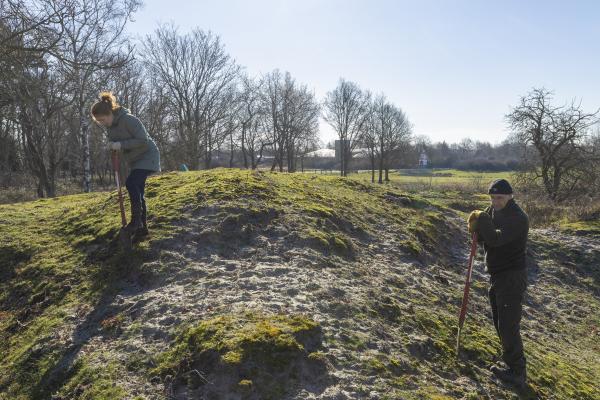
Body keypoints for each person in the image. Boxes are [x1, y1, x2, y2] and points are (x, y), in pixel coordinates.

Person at [468, 179, 529, 388]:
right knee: (499, 322)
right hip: (496, 274)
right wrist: (476, 230)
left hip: (512, 276)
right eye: (492, 198)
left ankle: (517, 372)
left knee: (508, 325)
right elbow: (486, 237)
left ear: (510, 196)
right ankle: (510, 362)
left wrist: (482, 221)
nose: (495, 202)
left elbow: (495, 238)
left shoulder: (518, 218)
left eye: (500, 198)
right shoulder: (492, 211)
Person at [91, 92, 161, 241]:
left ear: (110, 113)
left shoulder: (129, 120)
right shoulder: (110, 128)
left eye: (103, 120)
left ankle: (136, 222)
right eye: (99, 122)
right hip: (135, 160)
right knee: (139, 191)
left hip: (148, 155)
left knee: (131, 183)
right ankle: (142, 229)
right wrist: (113, 148)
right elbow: (117, 144)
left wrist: (120, 144)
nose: (102, 123)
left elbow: (143, 140)